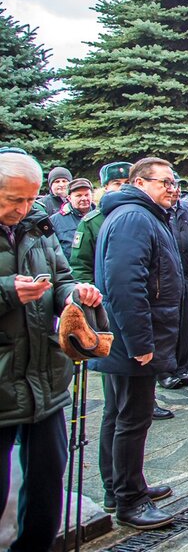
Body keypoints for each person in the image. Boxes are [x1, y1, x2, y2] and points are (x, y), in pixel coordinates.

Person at [0, 151, 104, 551]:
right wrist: (8, 292)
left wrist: (74, 294)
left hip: (43, 375)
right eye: (14, 199)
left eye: (29, 198)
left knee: (47, 481)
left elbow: (60, 277)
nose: (23, 208)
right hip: (2, 377)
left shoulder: (37, 226)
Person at [92, 157, 184, 530]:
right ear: (140, 182)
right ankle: (130, 502)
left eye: (174, 182)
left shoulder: (141, 214)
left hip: (127, 338)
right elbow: (125, 286)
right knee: (132, 418)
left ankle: (121, 487)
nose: (172, 188)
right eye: (164, 182)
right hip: (132, 340)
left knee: (119, 413)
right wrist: (141, 343)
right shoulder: (134, 217)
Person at [161, 169, 188, 390]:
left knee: (185, 323)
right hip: (164, 280)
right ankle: (165, 370)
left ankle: (183, 366)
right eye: (170, 185)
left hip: (186, 275)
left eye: (177, 185)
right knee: (166, 325)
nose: (174, 190)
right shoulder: (155, 211)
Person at [69, 161, 133, 285]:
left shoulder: (145, 214)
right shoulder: (92, 222)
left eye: (128, 183)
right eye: (117, 183)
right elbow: (81, 267)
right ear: (106, 187)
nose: (123, 187)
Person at [49, 177, 92, 249]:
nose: (84, 199)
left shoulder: (101, 216)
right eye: (79, 195)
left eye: (87, 195)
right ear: (69, 198)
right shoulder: (55, 221)